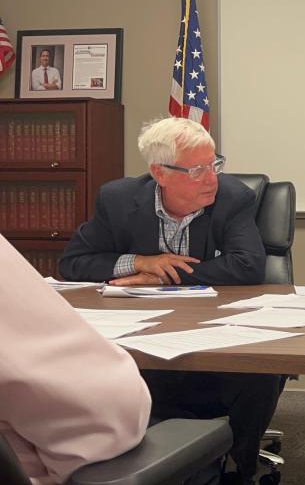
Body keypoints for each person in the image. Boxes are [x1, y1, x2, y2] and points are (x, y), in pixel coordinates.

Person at [59, 117, 282, 485]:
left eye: (214, 164)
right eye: (197, 170)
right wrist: (141, 262)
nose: (211, 178)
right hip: (141, 337)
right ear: (159, 173)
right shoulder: (117, 199)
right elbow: (74, 263)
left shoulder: (232, 197)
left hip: (213, 334)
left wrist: (163, 278)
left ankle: (237, 470)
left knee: (258, 370)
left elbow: (247, 266)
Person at [0, 234, 151, 484]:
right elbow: (107, 413)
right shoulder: (118, 202)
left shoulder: (232, 205)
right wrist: (138, 262)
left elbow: (240, 266)